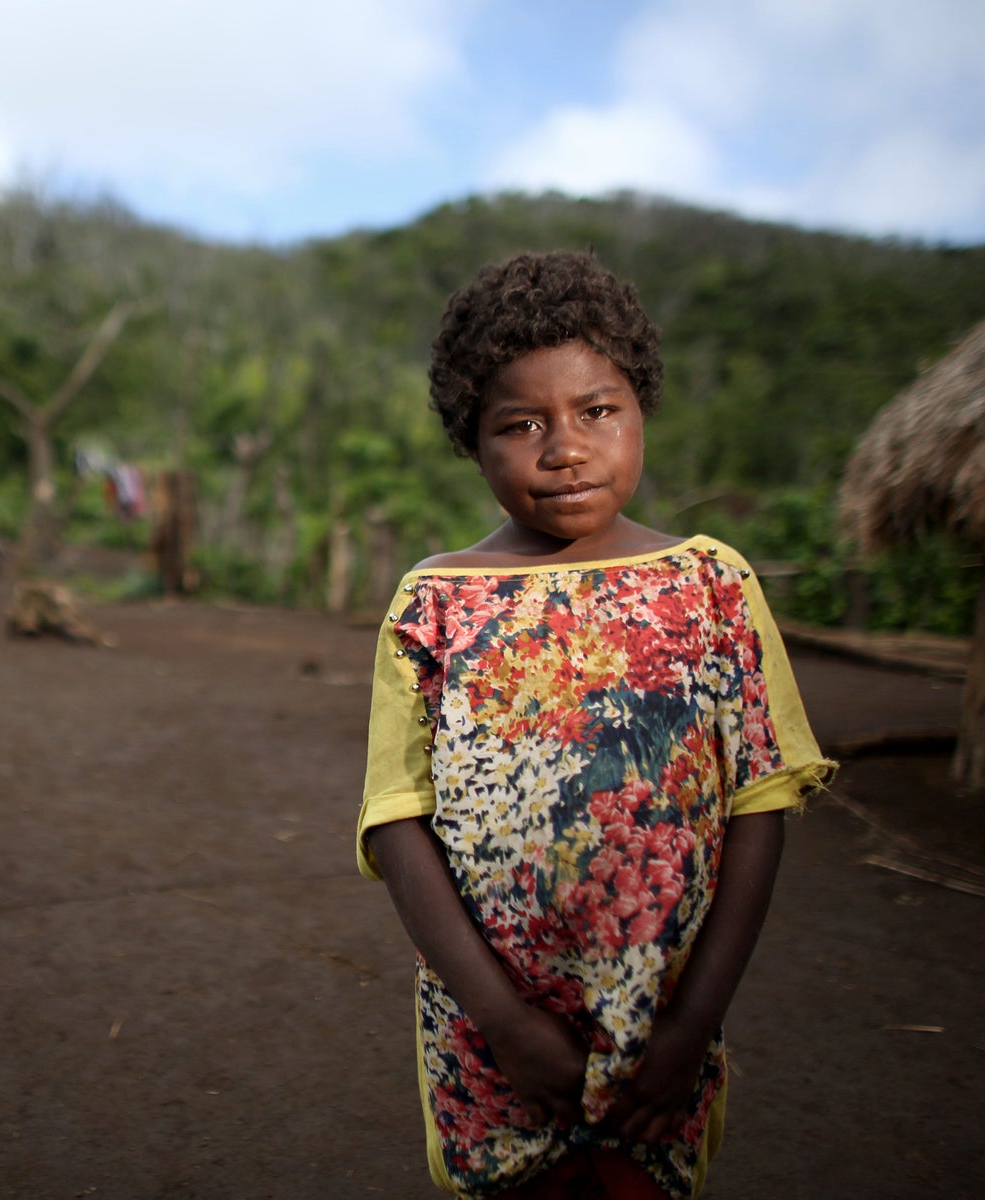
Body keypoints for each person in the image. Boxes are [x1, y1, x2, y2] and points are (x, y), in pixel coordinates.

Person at [357, 251, 835, 1199]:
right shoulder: (435, 605)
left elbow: (761, 800)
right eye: (521, 423)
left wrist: (692, 1024)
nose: (565, 447)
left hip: (661, 1023)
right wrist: (500, 1019)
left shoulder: (711, 587)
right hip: (490, 1033)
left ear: (642, 407)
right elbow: (397, 817)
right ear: (472, 438)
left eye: (597, 411)